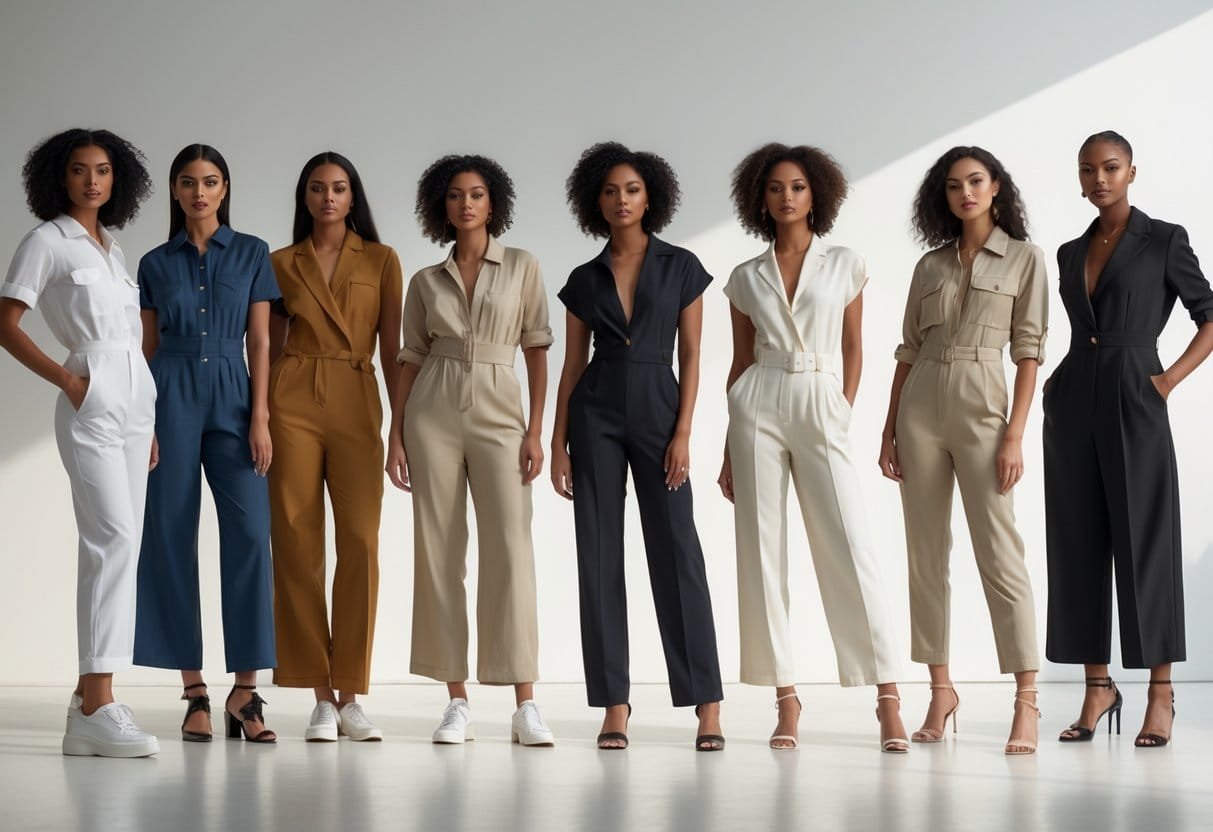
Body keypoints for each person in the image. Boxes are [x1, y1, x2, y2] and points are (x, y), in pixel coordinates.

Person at [720, 142, 908, 753]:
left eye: (797, 186)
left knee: (850, 546)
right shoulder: (746, 277)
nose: (787, 197)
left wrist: (840, 409)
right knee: (762, 553)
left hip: (820, 396)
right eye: (775, 187)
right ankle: (786, 700)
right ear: (760, 198)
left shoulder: (845, 263)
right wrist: (727, 445)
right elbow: (740, 361)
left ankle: (887, 698)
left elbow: (855, 346)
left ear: (816, 193)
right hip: (758, 404)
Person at [551, 141, 724, 751]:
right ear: (593, 202)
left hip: (658, 408)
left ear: (651, 195)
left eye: (631, 189)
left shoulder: (681, 266)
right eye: (609, 191)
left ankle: (707, 704)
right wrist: (558, 443)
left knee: (677, 551)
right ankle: (614, 705)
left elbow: (695, 353)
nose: (621, 200)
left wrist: (683, 432)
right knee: (597, 557)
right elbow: (572, 365)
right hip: (594, 412)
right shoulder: (583, 279)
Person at [1043, 130, 1213, 748]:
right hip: (1073, 401)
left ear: (1132, 171)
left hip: (1136, 395)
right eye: (1088, 171)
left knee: (1146, 540)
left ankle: (1161, 695)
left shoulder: (1163, 239)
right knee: (1077, 542)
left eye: (1110, 168)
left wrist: (1166, 381)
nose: (1099, 180)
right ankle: (1097, 687)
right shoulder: (1067, 251)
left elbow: (1209, 314)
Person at [878, 146, 1047, 754]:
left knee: (1000, 553)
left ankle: (1026, 700)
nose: (966, 194)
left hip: (983, 407)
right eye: (954, 186)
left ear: (996, 187)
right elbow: (905, 350)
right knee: (925, 554)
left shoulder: (1026, 260)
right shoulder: (931, 266)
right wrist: (888, 427)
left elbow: (1029, 350)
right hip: (920, 405)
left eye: (976, 182)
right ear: (943, 197)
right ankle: (940, 689)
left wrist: (1015, 433)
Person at [386, 154, 555, 746]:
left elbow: (537, 348)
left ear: (493, 204)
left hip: (499, 408)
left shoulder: (523, 267)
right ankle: (455, 699)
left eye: (477, 195)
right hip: (431, 409)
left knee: (510, 546)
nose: (466, 205)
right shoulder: (425, 281)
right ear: (443, 206)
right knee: (438, 548)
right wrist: (395, 434)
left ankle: (525, 701)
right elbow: (409, 356)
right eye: (455, 196)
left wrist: (536, 429)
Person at [0, 128, 158, 756]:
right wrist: (69, 381)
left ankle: (87, 699)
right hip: (90, 402)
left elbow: (129, 343)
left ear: (117, 181)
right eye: (78, 170)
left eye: (103, 170)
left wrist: (144, 420)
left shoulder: (111, 249)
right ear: (57, 178)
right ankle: (99, 702)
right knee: (110, 538)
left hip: (134, 406)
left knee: (126, 542)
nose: (92, 180)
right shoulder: (47, 241)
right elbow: (6, 322)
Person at [133, 144, 278, 743]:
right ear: (174, 190)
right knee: (168, 533)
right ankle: (193, 689)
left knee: (248, 534)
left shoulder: (251, 252)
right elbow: (143, 348)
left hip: (233, 392)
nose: (199, 191)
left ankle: (245, 692)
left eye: (210, 181)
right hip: (167, 391)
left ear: (224, 190)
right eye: (188, 182)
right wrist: (142, 422)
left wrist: (260, 415)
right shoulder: (152, 262)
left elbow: (263, 343)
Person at [268, 152, 402, 741]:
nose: (328, 197)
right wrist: (261, 416)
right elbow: (266, 348)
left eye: (339, 188)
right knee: (296, 541)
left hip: (356, 395)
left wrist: (399, 430)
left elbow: (395, 347)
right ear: (304, 196)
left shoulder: (381, 259)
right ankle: (319, 695)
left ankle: (352, 693)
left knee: (361, 543)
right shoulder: (278, 262)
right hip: (292, 397)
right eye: (318, 188)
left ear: (353, 198)